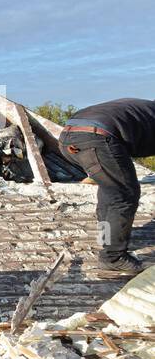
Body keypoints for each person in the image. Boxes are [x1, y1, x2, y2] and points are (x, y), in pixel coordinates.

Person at [58, 99, 155, 277]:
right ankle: (113, 258)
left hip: (67, 137)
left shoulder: (145, 110)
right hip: (96, 137)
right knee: (124, 193)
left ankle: (106, 238)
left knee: (110, 189)